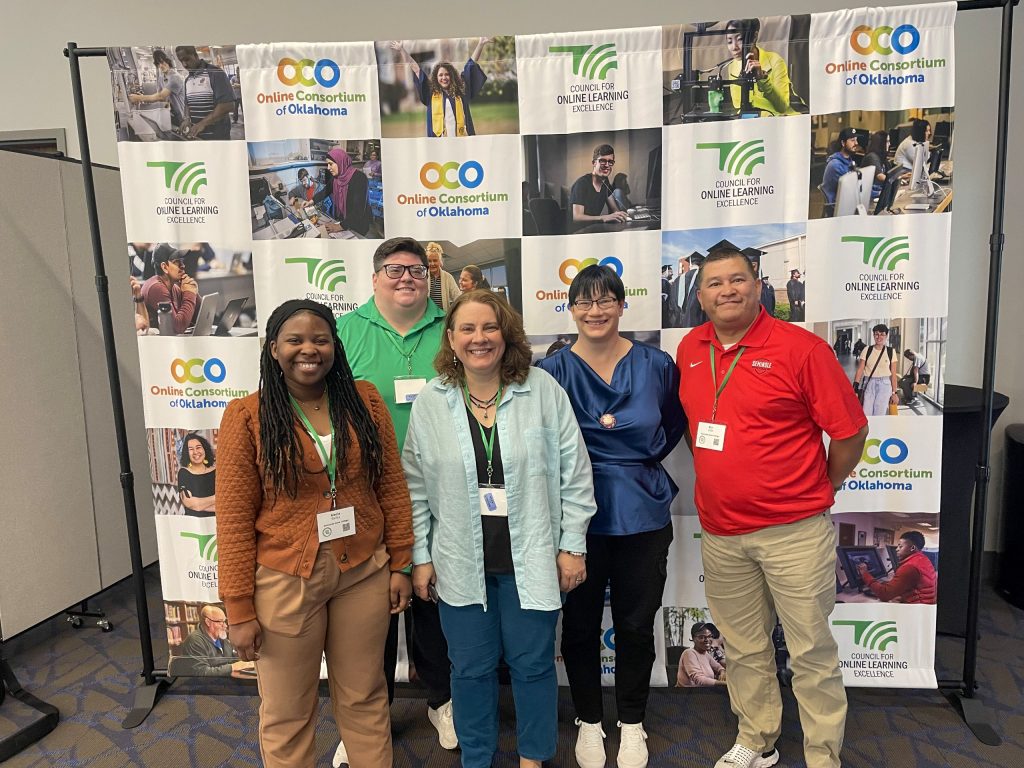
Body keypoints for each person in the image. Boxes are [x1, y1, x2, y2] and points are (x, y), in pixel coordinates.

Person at [675, 247, 868, 768]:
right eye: (715, 283)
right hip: (721, 533)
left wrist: (819, 487)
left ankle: (823, 755)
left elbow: (850, 433)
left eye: (738, 280)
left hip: (794, 532)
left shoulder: (801, 350)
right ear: (700, 294)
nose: (727, 291)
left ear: (759, 286)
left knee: (810, 652)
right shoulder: (691, 347)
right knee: (742, 647)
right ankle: (757, 739)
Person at [217, 299, 414, 768]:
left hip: (363, 571)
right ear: (272, 349)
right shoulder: (247, 417)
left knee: (366, 697)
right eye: (296, 340)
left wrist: (402, 561)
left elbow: (390, 483)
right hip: (286, 579)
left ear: (334, 346)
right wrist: (239, 609)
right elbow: (233, 520)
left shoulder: (364, 401)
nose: (310, 349)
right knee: (287, 712)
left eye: (320, 339)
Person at [403, 290, 596, 768]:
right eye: (466, 329)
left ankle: (534, 756)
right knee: (469, 669)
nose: (479, 338)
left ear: (505, 333)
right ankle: (477, 756)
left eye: (488, 327)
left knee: (532, 667)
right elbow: (416, 486)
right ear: (450, 339)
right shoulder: (433, 400)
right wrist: (421, 557)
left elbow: (574, 472)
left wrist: (573, 545)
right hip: (458, 558)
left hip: (530, 556)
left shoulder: (542, 390)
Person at [537, 265, 684, 768]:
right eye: (584, 301)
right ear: (571, 309)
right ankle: (589, 721)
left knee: (636, 624)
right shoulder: (551, 370)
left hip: (642, 507)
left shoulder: (657, 364)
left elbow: (672, 426)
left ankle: (632, 722)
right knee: (577, 626)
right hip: (574, 517)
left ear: (622, 306)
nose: (595, 310)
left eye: (606, 301)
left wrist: (634, 459)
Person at [336, 238, 457, 757]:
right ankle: (368, 720)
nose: (406, 277)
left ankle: (441, 701)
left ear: (429, 278)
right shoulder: (345, 331)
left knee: (434, 604)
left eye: (415, 270)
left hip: (441, 492)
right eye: (394, 269)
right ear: (374, 277)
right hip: (369, 494)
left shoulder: (452, 329)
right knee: (370, 616)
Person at [391, 38, 492, 137]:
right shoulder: (430, 94)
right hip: (440, 143)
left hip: (462, 140)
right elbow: (416, 69)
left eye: (447, 74)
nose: (444, 78)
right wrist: (402, 50)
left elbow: (471, 65)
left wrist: (480, 44)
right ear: (436, 77)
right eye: (441, 75)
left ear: (451, 75)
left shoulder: (461, 90)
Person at [723, 19, 799, 117]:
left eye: (740, 39)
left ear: (754, 37)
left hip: (781, 121)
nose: (734, 47)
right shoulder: (732, 67)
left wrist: (762, 80)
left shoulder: (775, 61)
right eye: (729, 41)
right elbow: (738, 107)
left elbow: (782, 107)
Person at [856, 531, 937, 604]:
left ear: (912, 548)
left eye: (900, 546)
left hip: (917, 609)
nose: (897, 549)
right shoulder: (923, 559)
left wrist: (865, 573)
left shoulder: (909, 567)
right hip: (926, 604)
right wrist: (905, 596)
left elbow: (884, 594)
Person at [169, 604, 248, 677]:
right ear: (208, 622)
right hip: (205, 686)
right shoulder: (195, 641)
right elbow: (201, 672)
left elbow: (230, 659)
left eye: (225, 621)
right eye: (221, 622)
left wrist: (246, 662)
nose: (225, 625)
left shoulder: (223, 639)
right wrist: (232, 667)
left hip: (223, 681)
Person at [174, 46, 234, 140]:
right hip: (197, 136)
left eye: (187, 59)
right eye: (181, 61)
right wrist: (187, 118)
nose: (184, 64)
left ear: (195, 55)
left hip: (217, 137)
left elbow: (228, 105)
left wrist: (202, 123)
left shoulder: (215, 73)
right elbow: (187, 104)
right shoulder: (187, 80)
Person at [311, 148, 371, 237]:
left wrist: (339, 226)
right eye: (327, 164)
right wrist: (311, 201)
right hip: (345, 220)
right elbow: (325, 191)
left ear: (340, 162)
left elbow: (358, 210)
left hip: (359, 224)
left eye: (331, 164)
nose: (328, 168)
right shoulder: (336, 178)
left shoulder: (360, 178)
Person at [569, 144, 628, 231]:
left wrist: (621, 215)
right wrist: (604, 218)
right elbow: (577, 217)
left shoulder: (605, 182)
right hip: (579, 233)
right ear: (594, 163)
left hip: (593, 229)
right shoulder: (581, 184)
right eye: (602, 161)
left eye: (610, 162)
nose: (607, 165)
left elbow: (614, 209)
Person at [140, 248, 198, 334]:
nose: (182, 266)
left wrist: (193, 290)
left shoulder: (174, 287)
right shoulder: (156, 288)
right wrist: (190, 294)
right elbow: (178, 327)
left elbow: (195, 317)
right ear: (164, 267)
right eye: (176, 262)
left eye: (181, 261)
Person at [128, 49, 186, 128]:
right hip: (170, 114)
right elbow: (161, 99)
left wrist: (139, 98)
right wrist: (143, 99)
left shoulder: (175, 78)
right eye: (158, 64)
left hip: (181, 117)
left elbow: (161, 96)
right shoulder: (161, 78)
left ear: (168, 61)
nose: (161, 66)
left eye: (162, 62)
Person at [853, 324, 899, 416]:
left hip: (885, 385)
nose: (879, 337)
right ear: (873, 335)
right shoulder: (867, 350)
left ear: (886, 336)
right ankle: (870, 431)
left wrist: (894, 393)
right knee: (866, 413)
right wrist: (855, 389)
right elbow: (860, 369)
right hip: (869, 383)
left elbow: (893, 374)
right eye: (876, 334)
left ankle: (878, 430)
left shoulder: (891, 351)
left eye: (882, 334)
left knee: (879, 414)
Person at [821, 127, 860, 216]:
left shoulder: (849, 161)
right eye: (852, 140)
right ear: (843, 143)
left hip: (845, 203)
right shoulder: (836, 165)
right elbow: (854, 187)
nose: (856, 143)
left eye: (856, 140)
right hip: (836, 208)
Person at [677, 622, 727, 688]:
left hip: (702, 694)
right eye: (702, 637)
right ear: (693, 638)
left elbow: (718, 667)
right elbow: (698, 679)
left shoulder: (705, 654)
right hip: (687, 695)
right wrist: (723, 683)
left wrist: (722, 671)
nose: (707, 640)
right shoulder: (689, 653)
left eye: (710, 636)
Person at [178, 432, 216, 517]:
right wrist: (217, 498)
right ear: (186, 453)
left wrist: (199, 505)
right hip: (193, 525)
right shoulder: (184, 473)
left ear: (204, 449)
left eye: (198, 447)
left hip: (217, 522)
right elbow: (190, 503)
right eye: (191, 449)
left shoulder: (216, 471)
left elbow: (226, 503)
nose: (195, 452)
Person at [426, 242, 462, 312]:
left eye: (435, 260)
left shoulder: (448, 277)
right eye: (429, 261)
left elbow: (457, 297)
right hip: (427, 317)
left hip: (443, 318)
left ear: (440, 261)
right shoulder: (423, 276)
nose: (432, 263)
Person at [862, 131, 891, 198]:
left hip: (877, 190)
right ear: (880, 143)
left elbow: (889, 174)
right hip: (870, 194)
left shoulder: (882, 156)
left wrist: (901, 177)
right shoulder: (872, 156)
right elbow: (880, 176)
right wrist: (895, 180)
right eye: (887, 141)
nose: (889, 144)